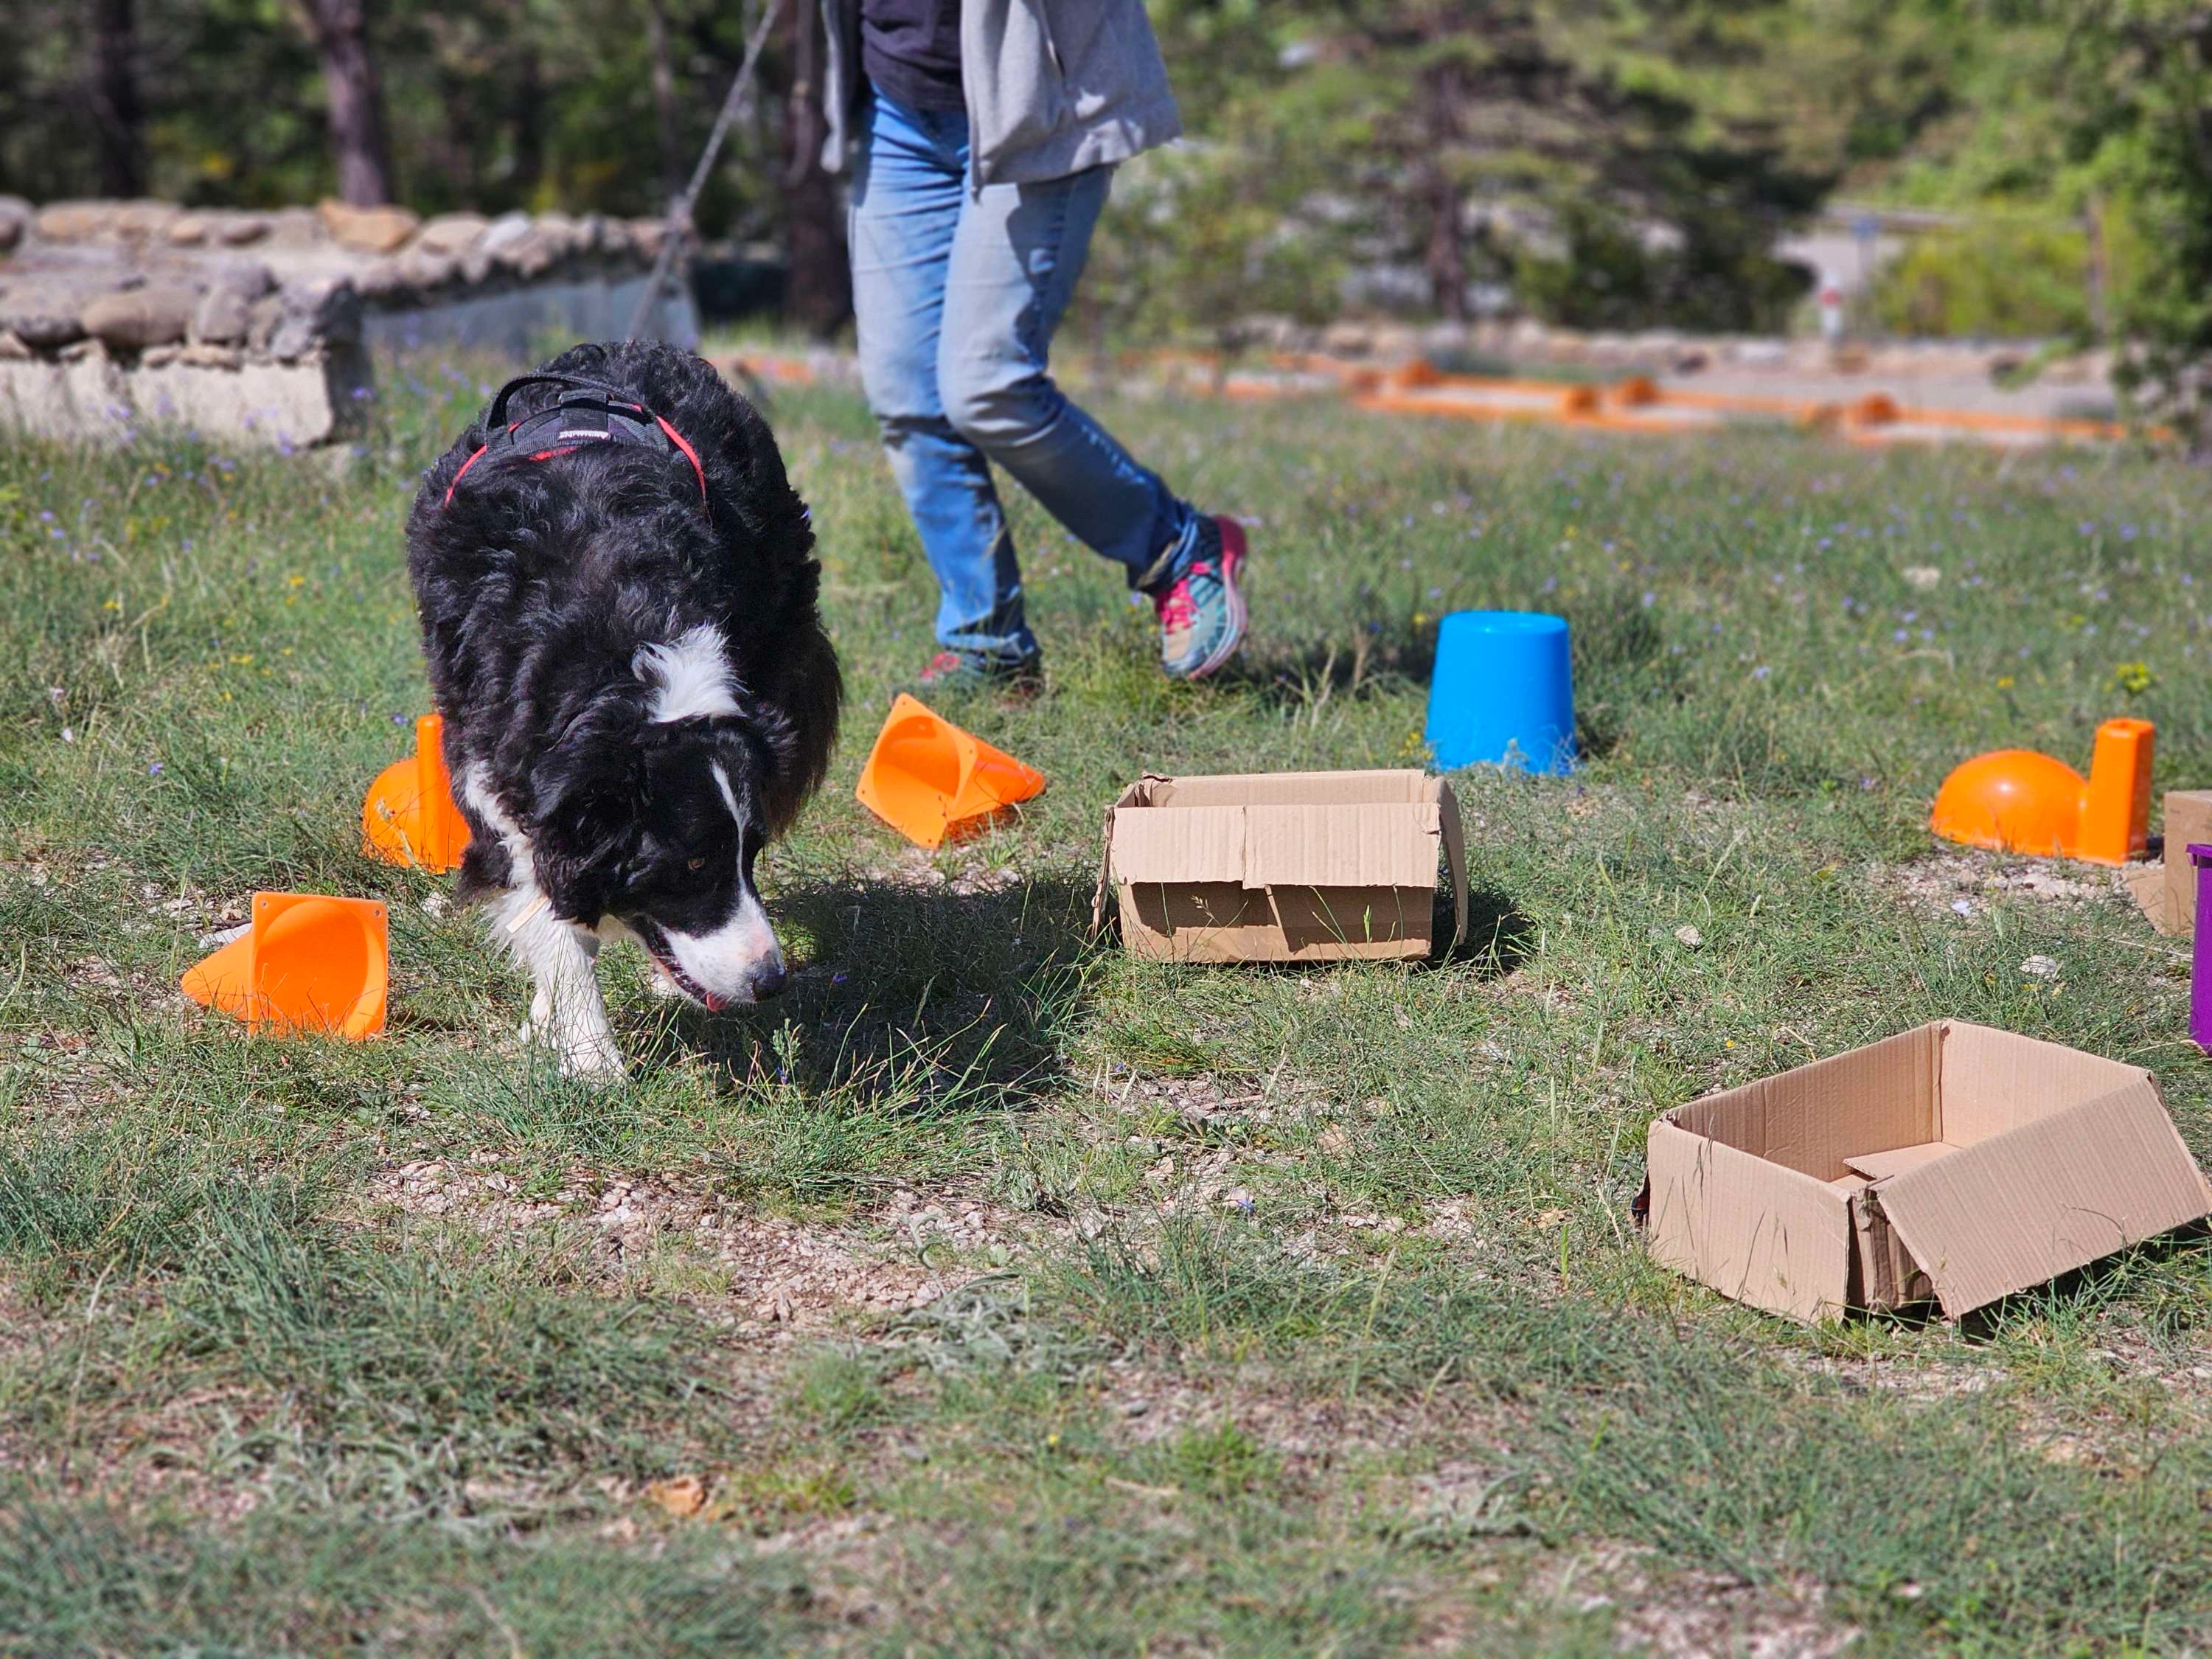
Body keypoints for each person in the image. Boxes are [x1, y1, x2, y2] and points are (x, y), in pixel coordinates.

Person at [820, 0, 1248, 688]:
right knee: (908, 395)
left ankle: (1175, 545)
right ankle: (987, 644)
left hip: (1039, 93)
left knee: (986, 384)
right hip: (896, 106)